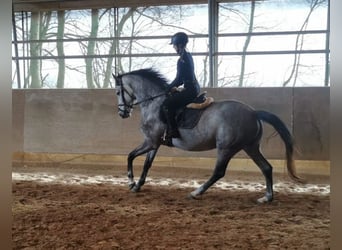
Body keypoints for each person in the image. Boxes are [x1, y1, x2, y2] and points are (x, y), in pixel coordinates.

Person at [161, 32, 200, 144]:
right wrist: (174, 87)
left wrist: (168, 87)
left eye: (174, 45)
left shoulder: (182, 59)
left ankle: (173, 132)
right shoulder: (188, 55)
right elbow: (182, 79)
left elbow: (179, 79)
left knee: (167, 104)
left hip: (190, 90)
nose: (174, 47)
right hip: (193, 87)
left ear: (179, 44)